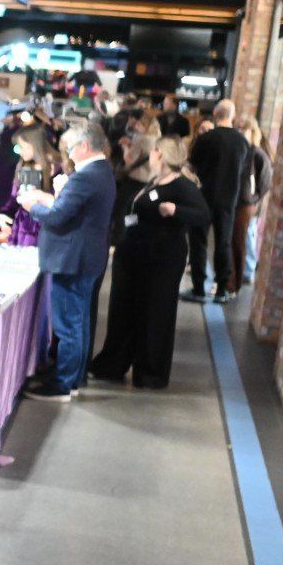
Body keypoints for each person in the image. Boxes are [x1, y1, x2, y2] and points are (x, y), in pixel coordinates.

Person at [89, 137, 211, 389]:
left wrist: (175, 210)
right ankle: (113, 364)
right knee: (124, 311)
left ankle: (150, 372)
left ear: (163, 155)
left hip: (161, 259)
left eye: (155, 150)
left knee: (155, 313)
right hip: (134, 255)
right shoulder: (155, 181)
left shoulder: (182, 185)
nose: (151, 154)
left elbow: (203, 216)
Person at [20, 118, 115, 401]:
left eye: (71, 147)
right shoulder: (101, 170)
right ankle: (71, 377)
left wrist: (32, 206)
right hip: (84, 256)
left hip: (73, 258)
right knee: (78, 321)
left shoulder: (86, 176)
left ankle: (63, 383)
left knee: (69, 324)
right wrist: (50, 199)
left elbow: (59, 216)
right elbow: (72, 210)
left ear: (84, 146)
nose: (69, 153)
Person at [186, 98, 251, 302]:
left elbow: (192, 166)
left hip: (203, 197)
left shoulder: (206, 139)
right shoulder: (242, 142)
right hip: (229, 199)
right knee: (224, 243)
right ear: (233, 116)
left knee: (198, 242)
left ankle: (198, 288)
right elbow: (244, 172)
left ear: (215, 115)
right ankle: (222, 289)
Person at [231, 115, 272, 294]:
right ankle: (233, 278)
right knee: (234, 239)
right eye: (238, 128)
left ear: (252, 131)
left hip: (246, 204)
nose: (240, 131)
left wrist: (253, 199)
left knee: (243, 238)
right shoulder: (238, 151)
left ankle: (241, 277)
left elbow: (265, 182)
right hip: (234, 201)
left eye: (244, 128)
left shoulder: (257, 154)